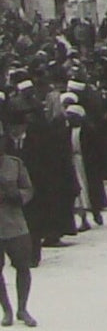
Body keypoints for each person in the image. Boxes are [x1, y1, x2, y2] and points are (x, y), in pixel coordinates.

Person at [0, 125, 35, 328]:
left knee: (23, 266)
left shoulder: (15, 164)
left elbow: (28, 189)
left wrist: (18, 196)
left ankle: (23, 308)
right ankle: (7, 310)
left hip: (15, 224)